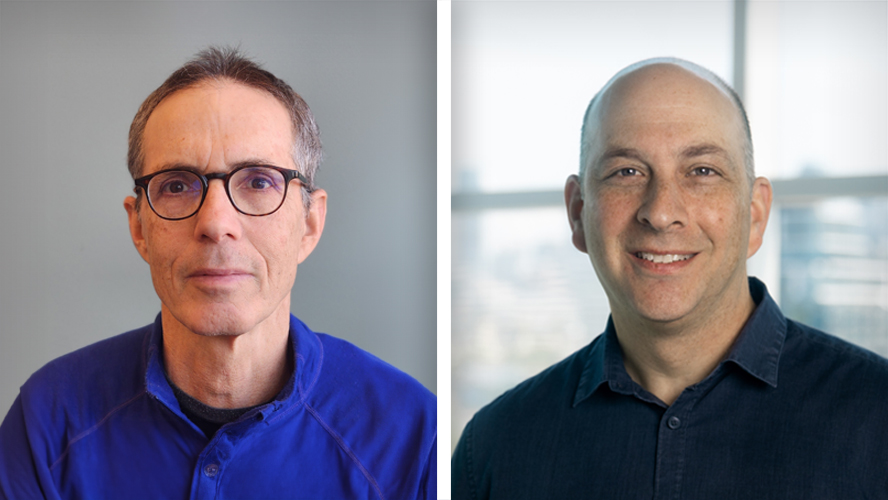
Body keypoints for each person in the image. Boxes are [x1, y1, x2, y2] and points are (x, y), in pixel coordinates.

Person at [0, 47, 436, 500]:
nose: (215, 223)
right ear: (139, 227)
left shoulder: (415, 438)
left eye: (259, 181)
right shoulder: (49, 421)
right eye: (176, 185)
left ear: (309, 224)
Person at [451, 58, 888, 499]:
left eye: (701, 171)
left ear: (754, 215)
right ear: (579, 213)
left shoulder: (879, 420)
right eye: (627, 172)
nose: (660, 212)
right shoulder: (493, 449)